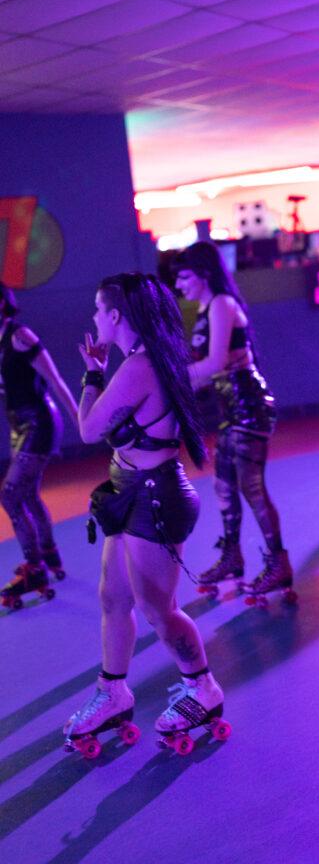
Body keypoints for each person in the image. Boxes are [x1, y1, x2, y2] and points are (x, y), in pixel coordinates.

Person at [63, 272, 224, 746]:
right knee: (114, 600)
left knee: (157, 608)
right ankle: (112, 694)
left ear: (115, 315)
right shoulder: (141, 359)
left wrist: (93, 373)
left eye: (98, 310)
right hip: (129, 491)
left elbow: (90, 430)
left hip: (154, 498)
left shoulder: (139, 366)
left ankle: (204, 688)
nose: (94, 318)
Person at [172, 242, 292, 597]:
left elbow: (213, 365)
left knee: (251, 487)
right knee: (223, 486)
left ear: (204, 274)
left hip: (249, 407)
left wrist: (171, 379)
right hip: (231, 411)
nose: (179, 285)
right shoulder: (208, 308)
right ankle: (232, 557)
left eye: (183, 276)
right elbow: (208, 372)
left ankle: (278, 564)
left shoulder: (222, 305)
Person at [0, 282, 79, 605]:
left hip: (39, 423)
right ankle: (49, 556)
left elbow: (56, 380)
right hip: (19, 425)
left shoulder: (20, 336)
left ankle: (34, 568)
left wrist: (81, 420)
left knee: (10, 495)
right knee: (28, 495)